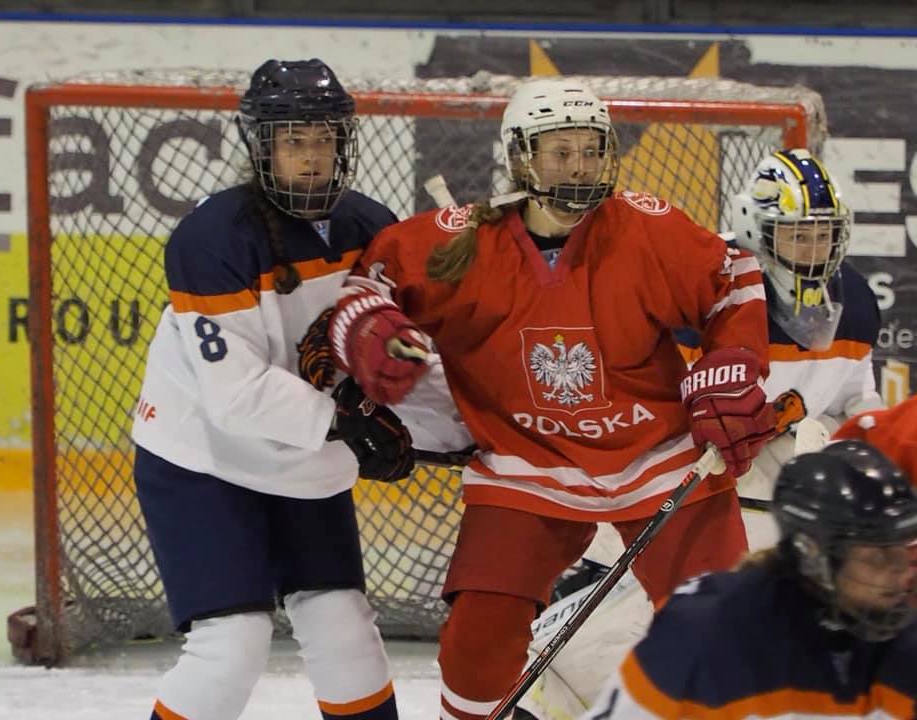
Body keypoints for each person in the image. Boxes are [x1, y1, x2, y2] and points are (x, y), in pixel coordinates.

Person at [327, 76, 777, 718]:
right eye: (559, 152)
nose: (579, 167)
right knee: (476, 643)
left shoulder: (645, 227)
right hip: (527, 463)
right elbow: (369, 287)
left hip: (660, 456)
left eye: (591, 151)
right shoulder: (462, 240)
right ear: (520, 158)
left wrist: (730, 367)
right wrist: (372, 332)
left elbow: (733, 278)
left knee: (727, 629)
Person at [517, 148, 888, 720]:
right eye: (796, 236)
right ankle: (548, 680)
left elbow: (854, 403)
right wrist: (701, 423)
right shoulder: (704, 286)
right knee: (621, 630)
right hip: (669, 483)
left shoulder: (855, 303)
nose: (813, 252)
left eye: (822, 236)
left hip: (764, 503)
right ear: (754, 231)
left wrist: (805, 428)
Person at [131, 58, 412, 720]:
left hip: (304, 458)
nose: (312, 158)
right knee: (233, 641)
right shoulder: (210, 239)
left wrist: (419, 430)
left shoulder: (373, 229)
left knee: (344, 623)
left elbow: (397, 351)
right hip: (202, 454)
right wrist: (348, 425)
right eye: (293, 141)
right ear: (260, 146)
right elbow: (234, 395)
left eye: (323, 140)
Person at [584, 439, 917, 719]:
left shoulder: (902, 633)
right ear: (813, 553)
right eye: (877, 556)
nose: (901, 570)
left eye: (903, 549)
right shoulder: (703, 635)